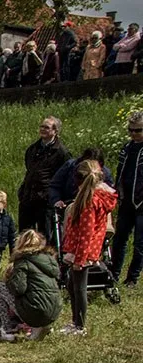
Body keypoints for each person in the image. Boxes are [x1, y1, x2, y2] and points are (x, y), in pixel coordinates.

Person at [60, 160, 117, 334]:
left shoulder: (89, 202)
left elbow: (86, 233)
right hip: (84, 248)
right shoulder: (96, 197)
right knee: (71, 285)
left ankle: (79, 325)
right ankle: (75, 321)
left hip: (82, 250)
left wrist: (80, 258)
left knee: (79, 288)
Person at [0, 230, 63, 342]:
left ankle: (6, 330)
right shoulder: (49, 261)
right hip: (54, 311)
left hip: (35, 310)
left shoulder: (23, 261)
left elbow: (18, 289)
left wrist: (9, 280)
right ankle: (37, 327)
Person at [19, 116, 70, 236]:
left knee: (45, 235)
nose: (42, 129)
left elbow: (65, 176)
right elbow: (29, 169)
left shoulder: (61, 152)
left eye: (46, 127)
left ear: (55, 131)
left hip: (46, 200)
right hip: (28, 197)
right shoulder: (32, 149)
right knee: (24, 234)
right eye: (41, 126)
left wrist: (57, 197)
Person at [111, 111, 143, 287]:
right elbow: (120, 173)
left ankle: (132, 278)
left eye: (137, 130)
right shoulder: (127, 148)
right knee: (119, 239)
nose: (133, 134)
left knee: (140, 242)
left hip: (142, 203)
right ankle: (114, 273)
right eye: (130, 130)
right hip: (126, 201)